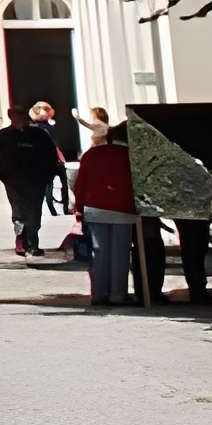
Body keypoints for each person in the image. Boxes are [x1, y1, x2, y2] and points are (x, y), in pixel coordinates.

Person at [71, 122, 139, 307]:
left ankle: (98, 293)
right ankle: (117, 294)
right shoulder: (131, 157)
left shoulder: (91, 155)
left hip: (95, 207)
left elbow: (80, 184)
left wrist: (79, 209)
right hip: (123, 207)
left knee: (98, 252)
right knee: (120, 253)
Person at [0, 107, 65, 256]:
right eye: (17, 115)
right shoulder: (2, 137)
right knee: (18, 213)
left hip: (36, 182)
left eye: (22, 115)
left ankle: (33, 243)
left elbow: (51, 156)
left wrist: (47, 176)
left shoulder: (39, 135)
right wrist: (5, 177)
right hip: (14, 182)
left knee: (35, 212)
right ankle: (21, 242)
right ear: (10, 116)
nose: (21, 118)